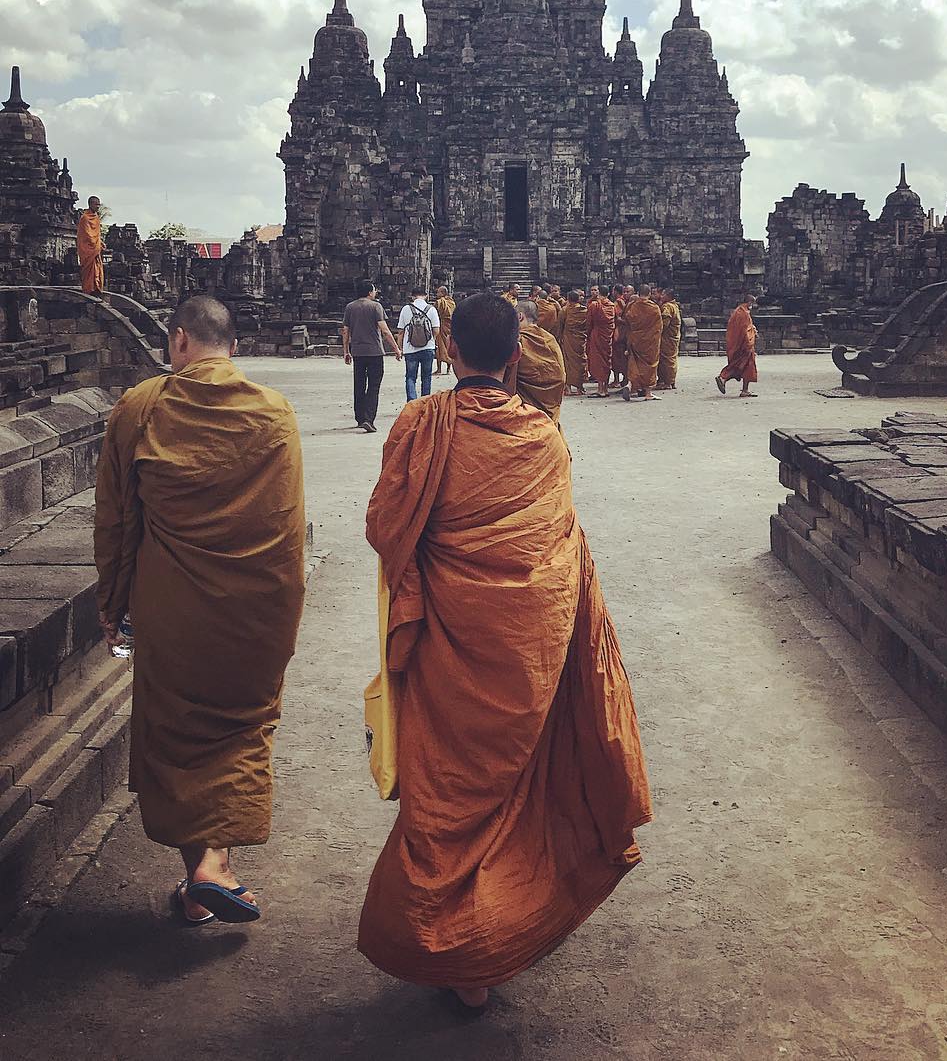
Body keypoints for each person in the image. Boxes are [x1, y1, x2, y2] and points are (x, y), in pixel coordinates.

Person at [358, 291, 651, 1009]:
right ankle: (494, 932)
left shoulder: (418, 425)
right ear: (516, 357)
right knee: (513, 790)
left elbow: (384, 525)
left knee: (446, 791)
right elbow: (558, 555)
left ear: (449, 350)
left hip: (445, 649)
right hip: (524, 650)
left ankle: (456, 943)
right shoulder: (543, 439)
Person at [94, 295, 306, 926]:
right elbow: (289, 527)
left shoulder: (141, 407)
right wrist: (284, 613)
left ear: (180, 341)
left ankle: (201, 872)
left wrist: (115, 607)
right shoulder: (275, 413)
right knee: (240, 728)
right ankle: (216, 865)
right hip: (257, 613)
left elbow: (117, 524)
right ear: (232, 348)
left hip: (172, 611)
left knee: (178, 732)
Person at [342, 282, 402, 433]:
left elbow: (345, 331)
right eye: (374, 290)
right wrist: (396, 349)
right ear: (370, 292)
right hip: (375, 352)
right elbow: (385, 330)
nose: (375, 293)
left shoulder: (350, 307)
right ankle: (369, 419)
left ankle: (360, 418)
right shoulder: (375, 306)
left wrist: (346, 351)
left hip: (357, 351)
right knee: (374, 386)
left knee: (359, 385)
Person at [506, 299, 566, 426]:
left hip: (526, 410)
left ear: (519, 316)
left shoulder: (519, 341)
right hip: (550, 405)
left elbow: (506, 375)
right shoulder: (550, 339)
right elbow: (560, 375)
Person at [396, 288, 440, 401]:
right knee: (426, 377)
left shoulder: (406, 309)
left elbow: (400, 331)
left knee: (410, 377)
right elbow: (436, 330)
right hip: (428, 348)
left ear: (412, 296)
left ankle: (412, 402)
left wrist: (399, 348)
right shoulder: (432, 309)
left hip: (410, 349)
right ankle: (425, 402)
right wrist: (432, 340)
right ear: (425, 296)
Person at [620, 286, 662, 402]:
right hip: (650, 341)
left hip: (635, 340)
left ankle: (629, 385)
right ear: (649, 294)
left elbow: (627, 320)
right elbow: (659, 326)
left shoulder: (633, 306)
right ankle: (648, 393)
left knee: (634, 363)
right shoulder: (654, 308)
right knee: (650, 365)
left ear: (638, 293)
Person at [716, 294, 759, 398]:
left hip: (737, 343)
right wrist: (752, 335)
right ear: (749, 302)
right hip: (744, 345)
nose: (753, 306)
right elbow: (745, 331)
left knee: (745, 367)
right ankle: (723, 377)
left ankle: (745, 390)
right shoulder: (743, 313)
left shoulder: (738, 311)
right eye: (752, 303)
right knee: (739, 366)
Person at [557, 289, 589, 396]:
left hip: (568, 339)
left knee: (568, 363)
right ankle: (580, 387)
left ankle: (568, 388)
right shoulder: (584, 311)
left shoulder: (564, 310)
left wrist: (559, 337)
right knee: (581, 362)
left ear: (568, 299)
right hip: (580, 340)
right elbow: (587, 325)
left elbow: (560, 326)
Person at [586, 287, 616, 397]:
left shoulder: (594, 305)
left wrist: (588, 333)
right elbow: (613, 321)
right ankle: (606, 389)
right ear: (608, 294)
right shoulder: (612, 306)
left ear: (599, 294)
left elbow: (589, 322)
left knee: (598, 361)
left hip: (597, 333)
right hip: (607, 335)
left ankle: (600, 389)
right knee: (606, 360)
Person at [77, 195, 106, 295]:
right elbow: (87, 235)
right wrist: (95, 244)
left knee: (97, 268)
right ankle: (89, 289)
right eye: (96, 204)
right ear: (90, 204)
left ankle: (96, 287)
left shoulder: (97, 218)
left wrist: (100, 242)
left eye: (99, 205)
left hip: (95, 249)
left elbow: (96, 234)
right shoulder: (84, 218)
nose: (98, 207)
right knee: (89, 269)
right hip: (88, 249)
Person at [657, 288, 682, 391]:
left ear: (668, 296)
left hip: (667, 337)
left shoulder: (667, 307)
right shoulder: (675, 306)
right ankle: (670, 381)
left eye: (663, 294)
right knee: (671, 359)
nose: (660, 296)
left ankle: (667, 382)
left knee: (667, 360)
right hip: (674, 337)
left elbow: (664, 324)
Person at [433, 286, 456, 377]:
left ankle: (439, 369)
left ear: (443, 293)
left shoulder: (439, 302)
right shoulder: (452, 303)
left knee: (439, 346)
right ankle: (448, 369)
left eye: (438, 292)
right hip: (450, 327)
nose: (437, 294)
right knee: (447, 345)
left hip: (441, 325)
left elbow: (435, 312)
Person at [611, 284, 629, 388]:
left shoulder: (618, 302)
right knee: (622, 357)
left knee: (617, 357)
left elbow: (617, 317)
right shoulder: (626, 302)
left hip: (619, 331)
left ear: (615, 292)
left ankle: (617, 380)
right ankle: (625, 378)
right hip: (624, 332)